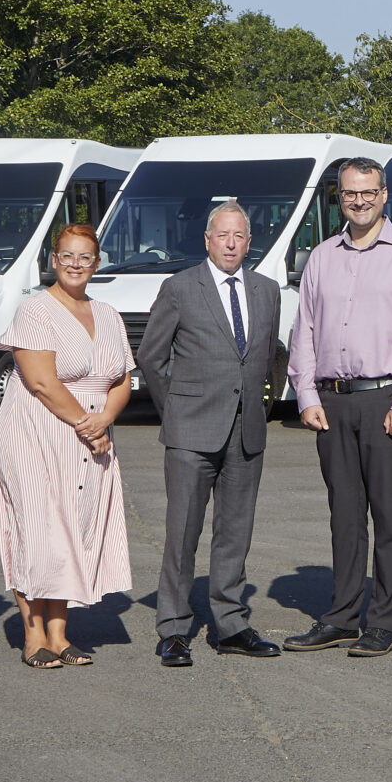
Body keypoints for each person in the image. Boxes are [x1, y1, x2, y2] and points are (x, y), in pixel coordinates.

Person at [284, 156, 392, 658]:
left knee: (390, 518)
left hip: (386, 401)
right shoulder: (322, 257)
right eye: (350, 193)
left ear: (384, 195)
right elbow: (304, 328)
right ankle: (342, 617)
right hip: (333, 402)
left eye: (368, 192)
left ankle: (383, 623)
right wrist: (305, 394)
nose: (359, 200)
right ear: (340, 197)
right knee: (344, 517)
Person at [138, 200, 283, 666]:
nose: (231, 243)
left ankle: (231, 624)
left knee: (235, 533)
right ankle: (175, 628)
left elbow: (270, 355)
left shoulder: (266, 290)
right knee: (182, 533)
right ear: (207, 239)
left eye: (239, 236)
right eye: (223, 235)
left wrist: (263, 402)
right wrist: (176, 412)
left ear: (248, 241)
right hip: (190, 432)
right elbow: (151, 358)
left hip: (247, 431)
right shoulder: (180, 288)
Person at [0, 223, 134, 669]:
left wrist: (105, 418)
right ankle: (33, 635)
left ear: (97, 263)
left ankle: (59, 632)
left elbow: (125, 377)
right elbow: (41, 382)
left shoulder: (107, 313)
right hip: (35, 430)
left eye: (84, 257)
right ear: (54, 260)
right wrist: (87, 424)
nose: (74, 264)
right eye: (67, 256)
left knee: (72, 528)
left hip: (90, 433)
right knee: (36, 528)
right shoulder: (35, 310)